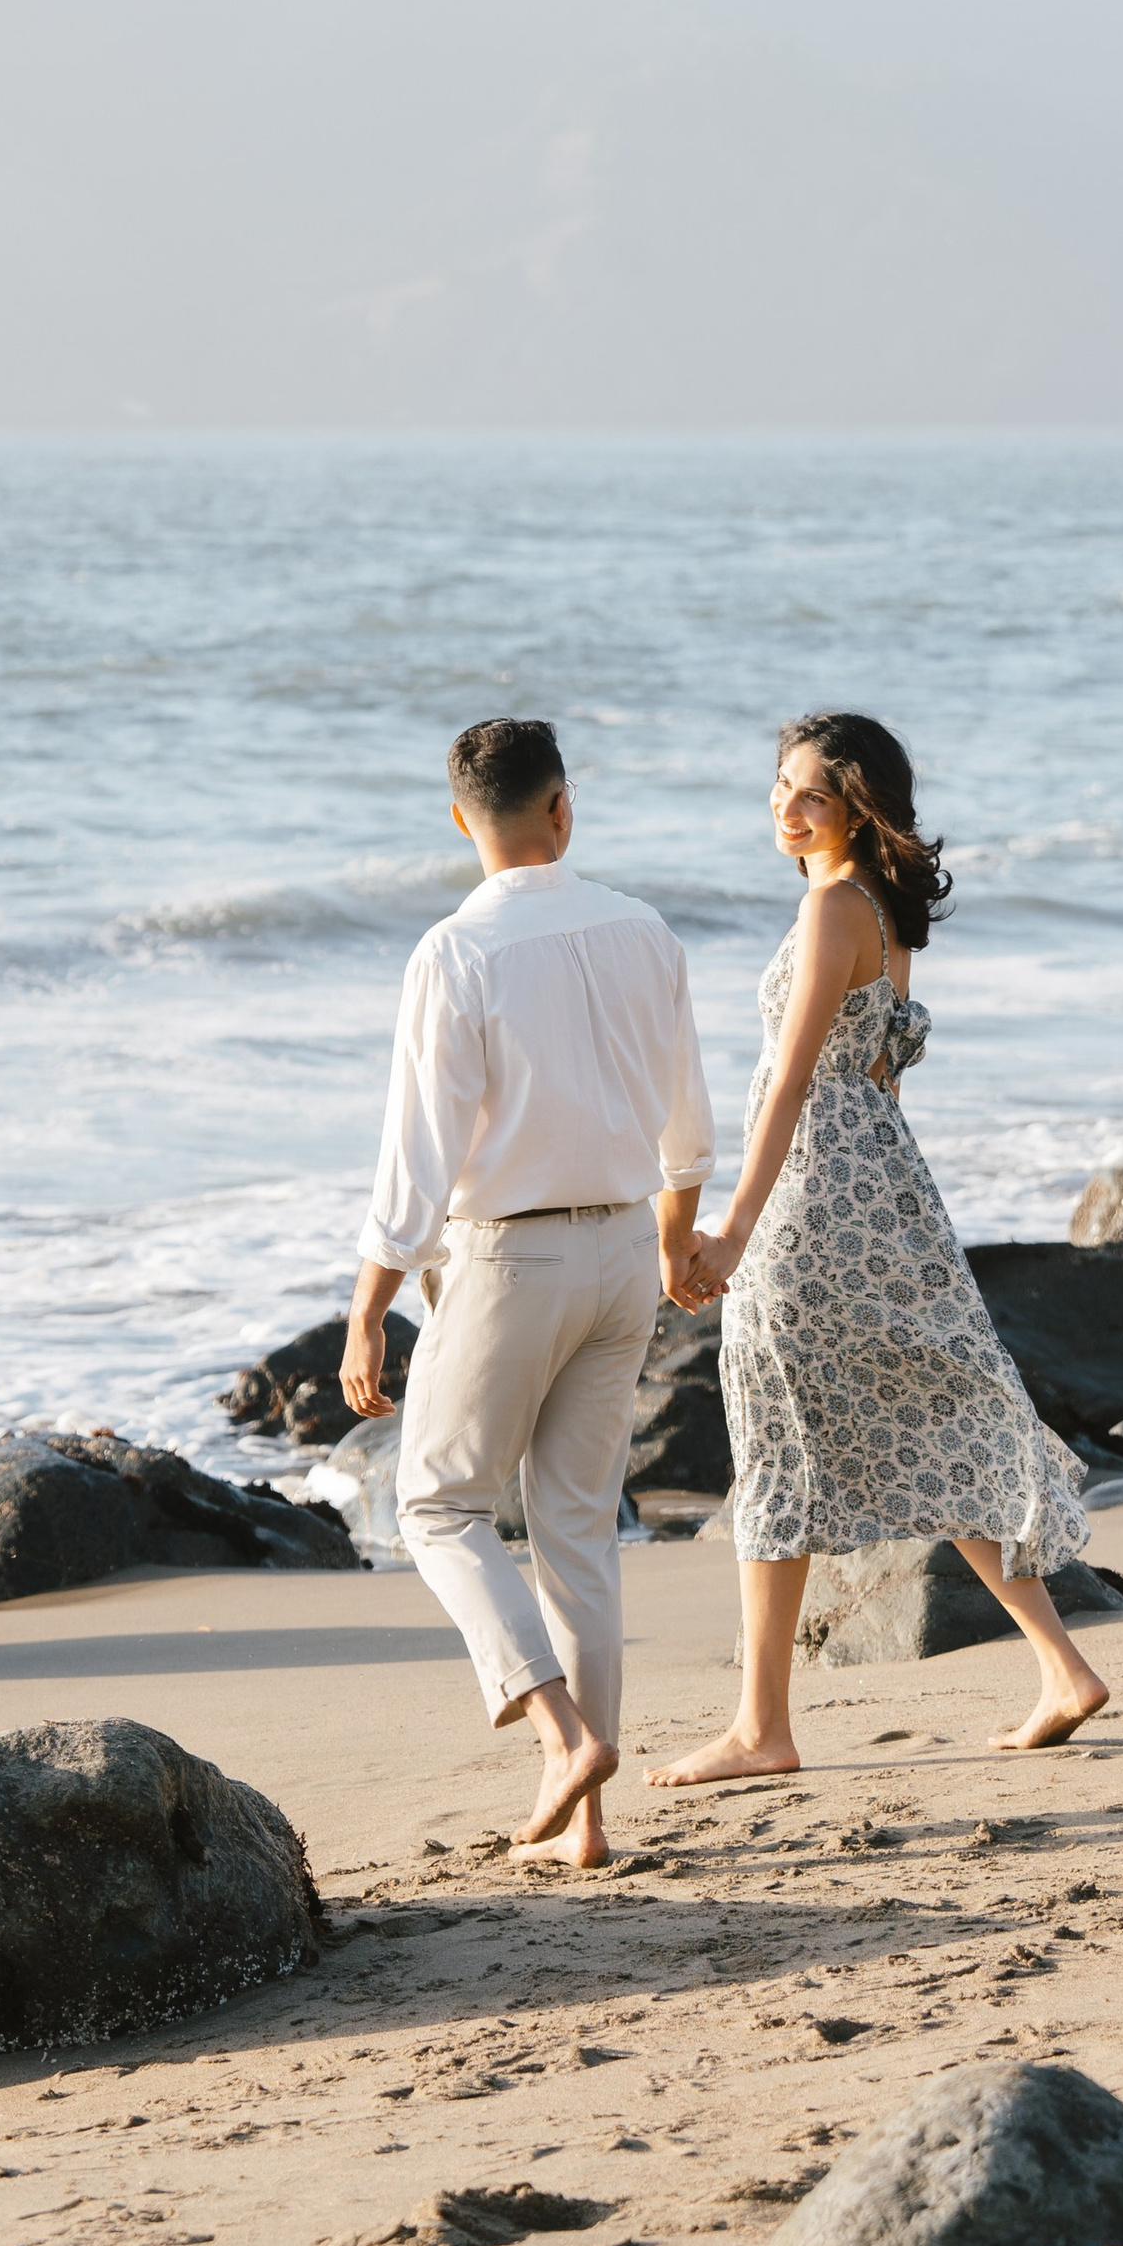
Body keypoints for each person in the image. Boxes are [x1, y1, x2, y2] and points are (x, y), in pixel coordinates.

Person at [651, 710, 1107, 1786]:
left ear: (856, 803)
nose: (784, 806)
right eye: (778, 787)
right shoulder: (885, 914)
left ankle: (763, 1727)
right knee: (933, 1418)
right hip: (882, 1186)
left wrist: (730, 1226)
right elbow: (877, 1078)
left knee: (776, 1440)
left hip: (813, 1196)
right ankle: (1060, 1666)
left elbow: (792, 1083)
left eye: (809, 792)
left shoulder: (829, 910)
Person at [339, 716, 715, 1870]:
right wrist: (678, 1238)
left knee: (438, 1507)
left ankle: (558, 1736)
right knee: (577, 1536)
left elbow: (418, 1153)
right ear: (564, 807)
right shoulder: (641, 926)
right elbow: (685, 1112)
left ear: (461, 820)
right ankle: (588, 1829)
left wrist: (368, 1305)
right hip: (619, 1254)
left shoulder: (455, 951)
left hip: (508, 1259)